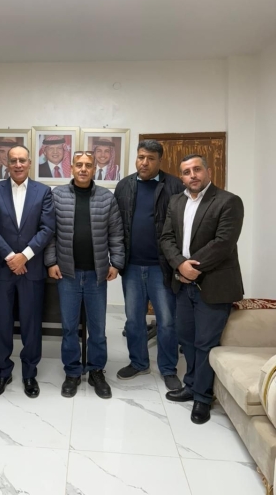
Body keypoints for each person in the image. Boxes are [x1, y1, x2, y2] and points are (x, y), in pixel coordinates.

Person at [160, 154, 244, 424]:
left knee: (206, 343)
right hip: (183, 284)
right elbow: (167, 238)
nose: (192, 175)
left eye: (197, 169)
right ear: (181, 177)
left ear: (208, 171)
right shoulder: (176, 201)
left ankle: (203, 398)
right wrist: (179, 265)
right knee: (186, 338)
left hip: (213, 284)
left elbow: (223, 243)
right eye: (186, 172)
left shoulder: (228, 201)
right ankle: (191, 384)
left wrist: (190, 267)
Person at [45, 151, 124, 398]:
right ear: (71, 168)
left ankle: (96, 370)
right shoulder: (57, 195)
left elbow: (116, 233)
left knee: (98, 328)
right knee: (69, 327)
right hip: (67, 273)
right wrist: (51, 261)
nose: (83, 169)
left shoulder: (106, 197)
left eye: (88, 165)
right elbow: (49, 232)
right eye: (78, 164)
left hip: (96, 274)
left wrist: (116, 262)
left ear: (94, 169)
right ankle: (72, 371)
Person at [0, 145, 55, 398]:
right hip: (2, 269)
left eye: (22, 160)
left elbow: (47, 229)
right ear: (6, 163)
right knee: (2, 323)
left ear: (30, 163)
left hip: (31, 269)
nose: (17, 165)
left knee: (31, 324)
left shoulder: (43, 192)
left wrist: (24, 256)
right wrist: (10, 257)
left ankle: (29, 373)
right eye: (13, 160)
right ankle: (3, 372)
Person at [114, 139, 184, 391]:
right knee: (134, 320)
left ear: (159, 161)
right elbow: (116, 225)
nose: (144, 162)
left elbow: (182, 226)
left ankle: (168, 368)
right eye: (141, 157)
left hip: (162, 267)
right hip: (132, 266)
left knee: (166, 321)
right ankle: (139, 362)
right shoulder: (124, 186)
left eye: (150, 158)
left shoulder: (174, 185)